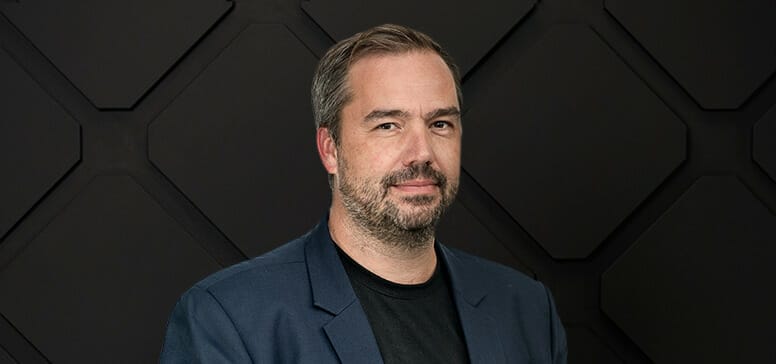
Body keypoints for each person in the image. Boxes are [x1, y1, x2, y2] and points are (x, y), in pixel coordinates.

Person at [160, 24, 567, 363]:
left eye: (440, 124)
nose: (422, 152)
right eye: (388, 125)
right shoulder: (228, 318)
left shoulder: (528, 311)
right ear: (330, 149)